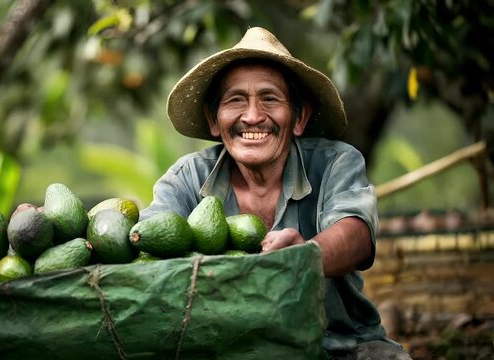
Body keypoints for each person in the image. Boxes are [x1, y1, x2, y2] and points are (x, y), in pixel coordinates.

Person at [140, 27, 412, 359]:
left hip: (338, 345)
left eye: (270, 99)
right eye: (236, 100)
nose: (253, 117)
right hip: (222, 348)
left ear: (300, 118)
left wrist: (305, 256)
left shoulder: (336, 162)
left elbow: (355, 232)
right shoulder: (186, 178)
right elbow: (147, 240)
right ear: (214, 119)